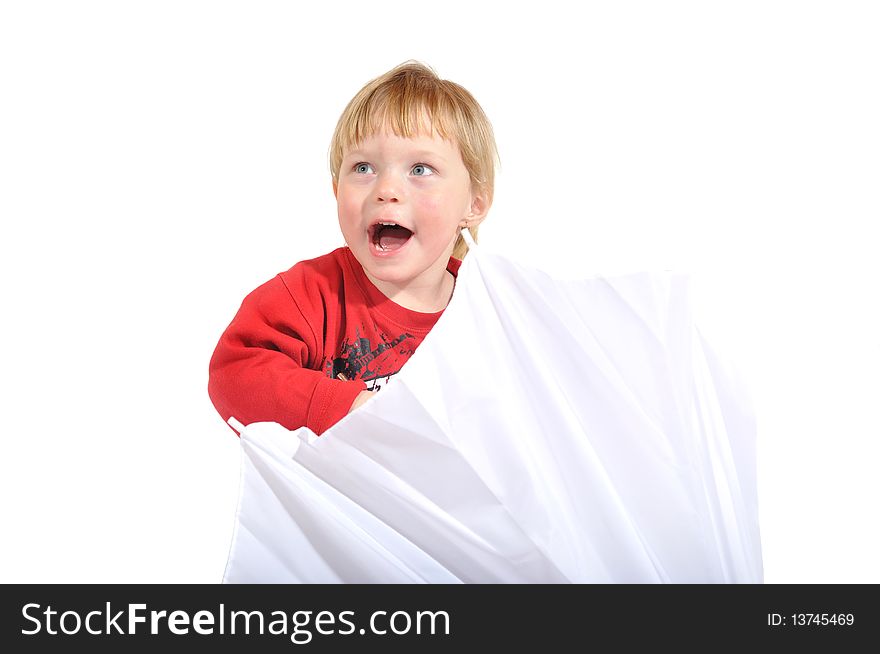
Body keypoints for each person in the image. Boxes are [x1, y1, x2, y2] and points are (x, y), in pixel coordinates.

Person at [208, 61, 498, 435]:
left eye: (420, 169)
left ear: (473, 205)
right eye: (363, 168)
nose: (385, 189)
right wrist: (351, 407)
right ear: (336, 191)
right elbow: (234, 374)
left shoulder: (488, 311)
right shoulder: (310, 295)